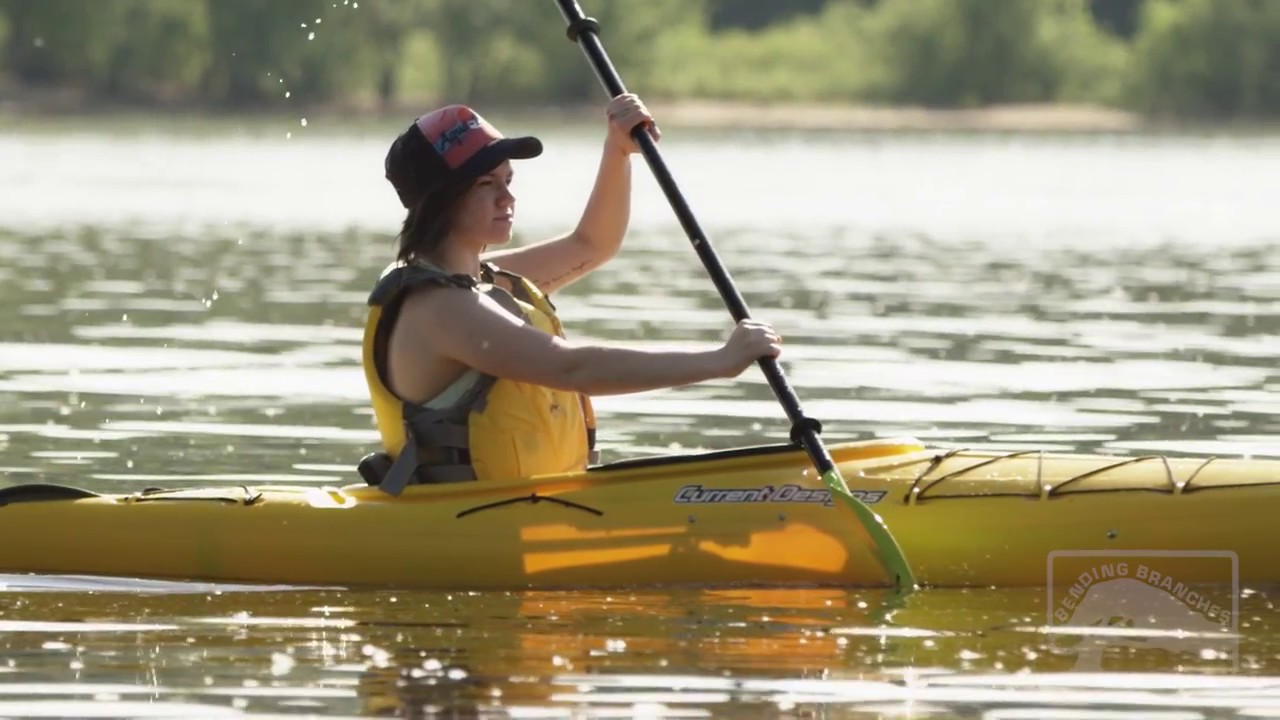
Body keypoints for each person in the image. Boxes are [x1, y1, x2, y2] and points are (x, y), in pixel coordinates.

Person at [359, 95, 781, 495]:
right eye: (486, 184)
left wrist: (617, 151)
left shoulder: (485, 280)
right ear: (440, 200)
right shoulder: (440, 309)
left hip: (527, 504)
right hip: (467, 521)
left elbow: (591, 245)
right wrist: (719, 361)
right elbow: (571, 367)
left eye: (508, 179)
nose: (508, 197)